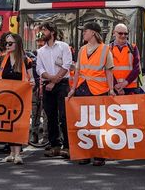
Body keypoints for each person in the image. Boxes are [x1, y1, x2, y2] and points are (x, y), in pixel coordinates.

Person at [68, 22, 115, 166]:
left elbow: (109, 71)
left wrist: (111, 89)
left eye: (85, 31)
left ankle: (100, 155)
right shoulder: (82, 49)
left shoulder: (105, 50)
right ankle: (86, 154)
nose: (83, 33)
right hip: (83, 89)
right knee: (84, 124)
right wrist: (73, 88)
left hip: (99, 91)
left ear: (93, 33)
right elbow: (77, 72)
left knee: (99, 124)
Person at [0, 33, 34, 165]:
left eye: (10, 43)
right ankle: (11, 153)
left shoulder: (26, 61)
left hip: (20, 98)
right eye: (6, 43)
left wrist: (32, 82)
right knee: (7, 125)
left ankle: (17, 153)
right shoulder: (2, 59)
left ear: (17, 44)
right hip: (5, 97)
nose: (7, 46)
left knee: (18, 125)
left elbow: (31, 78)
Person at [36, 22, 72, 159]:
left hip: (62, 84)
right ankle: (55, 145)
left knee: (64, 116)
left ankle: (68, 146)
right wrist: (50, 80)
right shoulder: (40, 51)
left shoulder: (63, 47)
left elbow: (67, 64)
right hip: (47, 85)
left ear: (52, 32)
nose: (42, 33)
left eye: (44, 30)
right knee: (50, 116)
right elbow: (39, 69)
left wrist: (54, 80)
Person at [110, 24, 142, 95]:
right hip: (113, 89)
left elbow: (137, 69)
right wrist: (115, 85)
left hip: (131, 89)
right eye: (120, 33)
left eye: (126, 33)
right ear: (114, 33)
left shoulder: (133, 48)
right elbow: (105, 69)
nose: (123, 35)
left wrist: (124, 84)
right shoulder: (108, 49)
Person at [30, 31, 48, 145]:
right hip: (35, 88)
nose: (39, 43)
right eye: (38, 41)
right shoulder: (33, 56)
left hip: (45, 86)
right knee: (34, 113)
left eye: (41, 41)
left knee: (46, 114)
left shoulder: (48, 54)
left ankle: (46, 137)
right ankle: (34, 135)